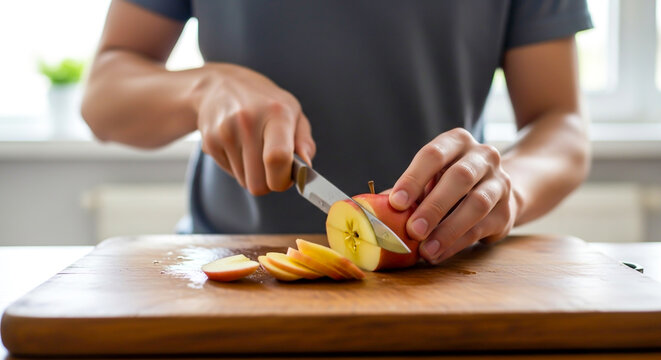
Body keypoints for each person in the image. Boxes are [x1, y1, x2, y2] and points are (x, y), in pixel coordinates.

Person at [82, 0, 592, 265]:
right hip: (231, 275)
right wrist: (202, 89)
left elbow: (559, 121)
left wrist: (509, 188)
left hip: (441, 276)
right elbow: (103, 98)